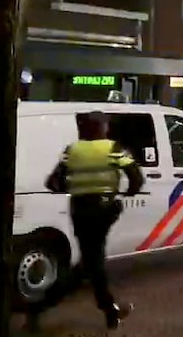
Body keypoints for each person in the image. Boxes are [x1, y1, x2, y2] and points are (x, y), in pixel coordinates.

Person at [37, 111, 144, 332]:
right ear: (102, 128)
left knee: (90, 260)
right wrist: (128, 193)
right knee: (92, 263)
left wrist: (76, 189)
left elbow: (53, 183)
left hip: (80, 210)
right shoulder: (112, 148)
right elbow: (136, 177)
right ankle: (107, 309)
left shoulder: (72, 150)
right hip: (104, 210)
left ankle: (107, 308)